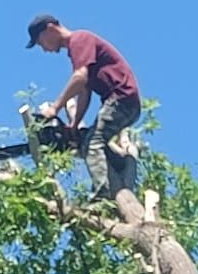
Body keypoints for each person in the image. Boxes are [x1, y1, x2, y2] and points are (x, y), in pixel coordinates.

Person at [26, 14, 141, 200]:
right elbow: (84, 91)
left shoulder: (79, 39)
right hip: (124, 101)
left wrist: (55, 108)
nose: (44, 49)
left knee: (93, 142)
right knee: (91, 138)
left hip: (121, 97)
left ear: (50, 29)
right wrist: (74, 124)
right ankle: (119, 164)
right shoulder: (77, 50)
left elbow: (80, 78)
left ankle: (102, 195)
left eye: (41, 43)